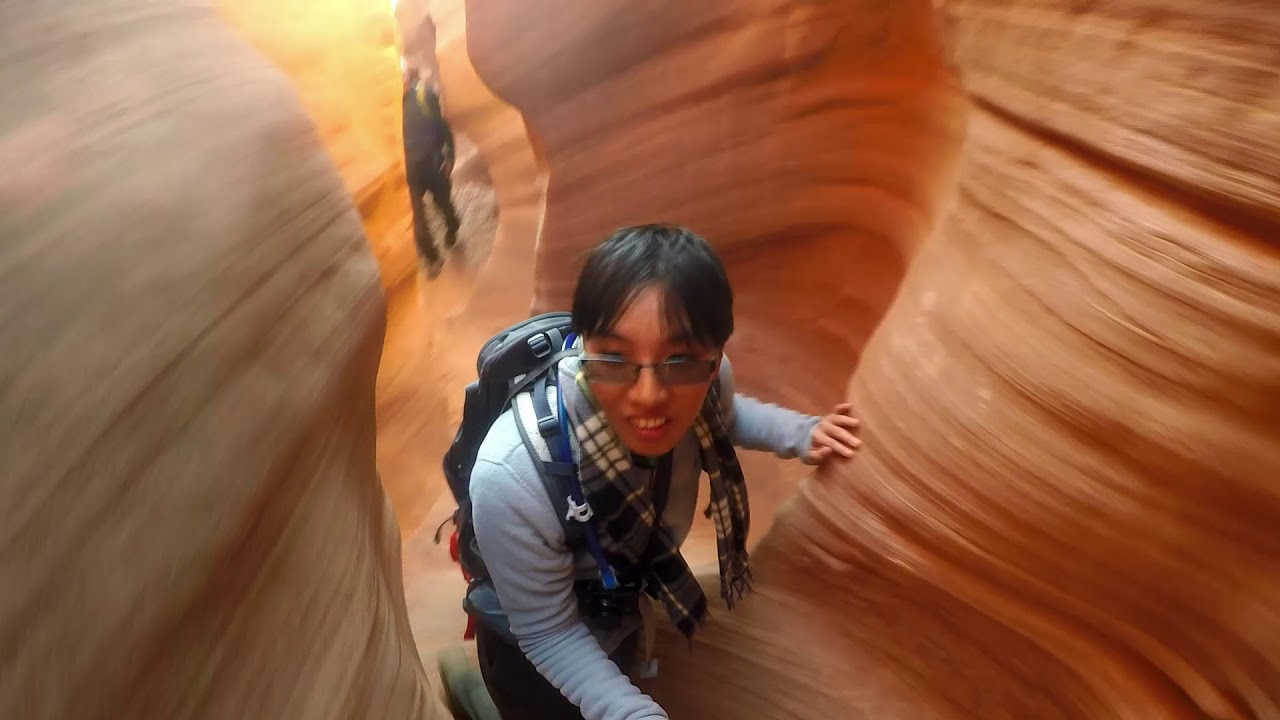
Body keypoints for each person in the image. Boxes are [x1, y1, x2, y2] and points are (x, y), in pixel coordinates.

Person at [467, 224, 862, 720]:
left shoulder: (708, 380)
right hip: (528, 658)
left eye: (680, 359)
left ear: (715, 353)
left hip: (620, 608)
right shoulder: (513, 476)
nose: (649, 395)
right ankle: (471, 695)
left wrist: (804, 433)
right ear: (582, 344)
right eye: (614, 357)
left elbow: (725, 415)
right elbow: (548, 632)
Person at [399, 16, 460, 278]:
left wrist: (450, 156)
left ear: (408, 75)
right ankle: (432, 258)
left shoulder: (424, 96)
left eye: (401, 75)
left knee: (444, 205)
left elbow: (442, 126)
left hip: (432, 162)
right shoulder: (389, 110)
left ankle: (452, 226)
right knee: (417, 220)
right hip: (410, 171)